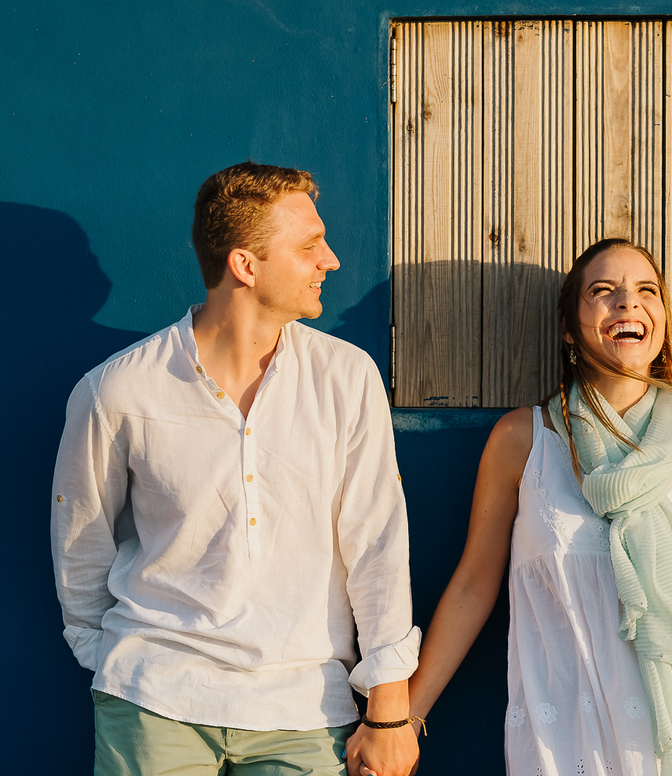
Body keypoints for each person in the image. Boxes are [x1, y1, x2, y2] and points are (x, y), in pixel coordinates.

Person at [51, 162, 422, 776]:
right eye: (309, 246)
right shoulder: (117, 391)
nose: (330, 260)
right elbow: (80, 543)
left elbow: (377, 545)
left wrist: (389, 709)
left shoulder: (347, 378)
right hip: (153, 700)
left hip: (303, 710)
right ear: (245, 266)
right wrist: (114, 660)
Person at [407, 239, 672, 776]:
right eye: (604, 291)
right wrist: (403, 719)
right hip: (567, 738)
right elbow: (473, 584)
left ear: (662, 319)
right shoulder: (525, 441)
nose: (628, 302)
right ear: (569, 327)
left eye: (646, 291)